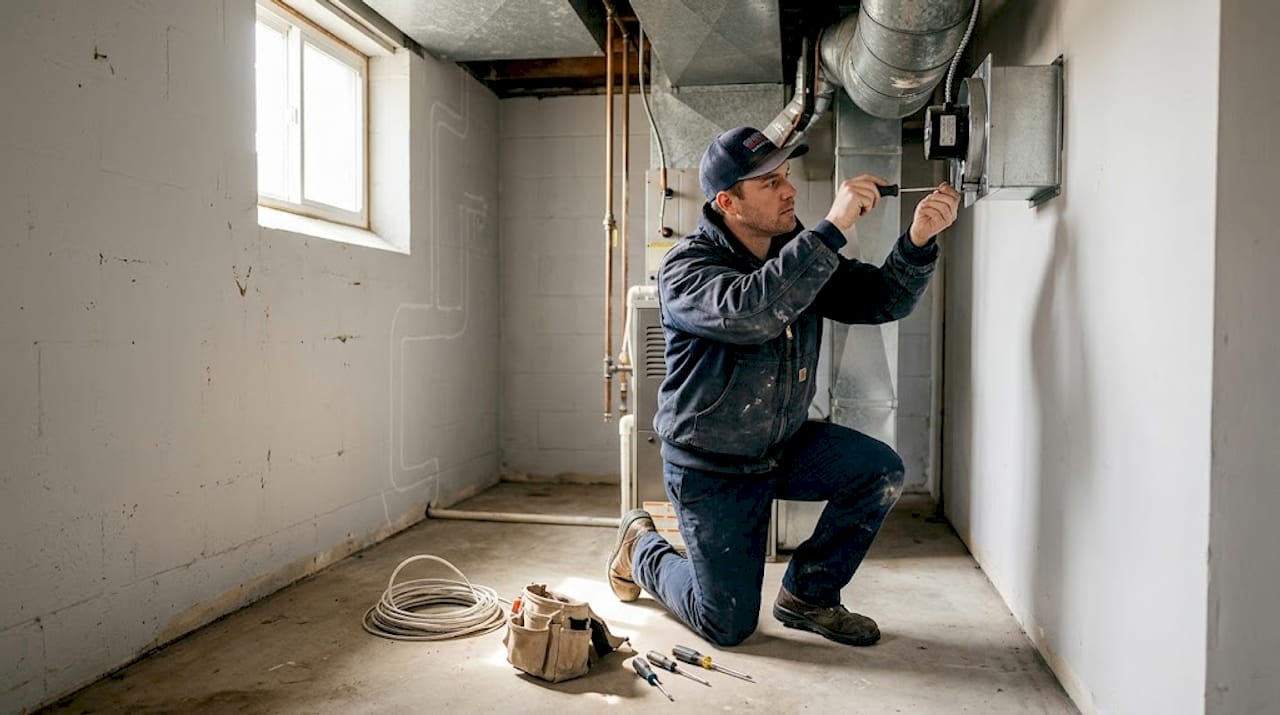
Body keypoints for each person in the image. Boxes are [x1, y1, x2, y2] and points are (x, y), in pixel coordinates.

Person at [606, 126, 960, 648]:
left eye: (786, 177)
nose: (789, 190)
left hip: (780, 445)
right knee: (726, 624)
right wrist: (834, 226)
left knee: (878, 471)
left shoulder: (796, 254)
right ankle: (641, 549)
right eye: (769, 183)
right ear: (728, 201)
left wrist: (917, 241)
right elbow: (753, 311)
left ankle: (809, 595)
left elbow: (883, 299)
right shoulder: (686, 269)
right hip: (713, 466)